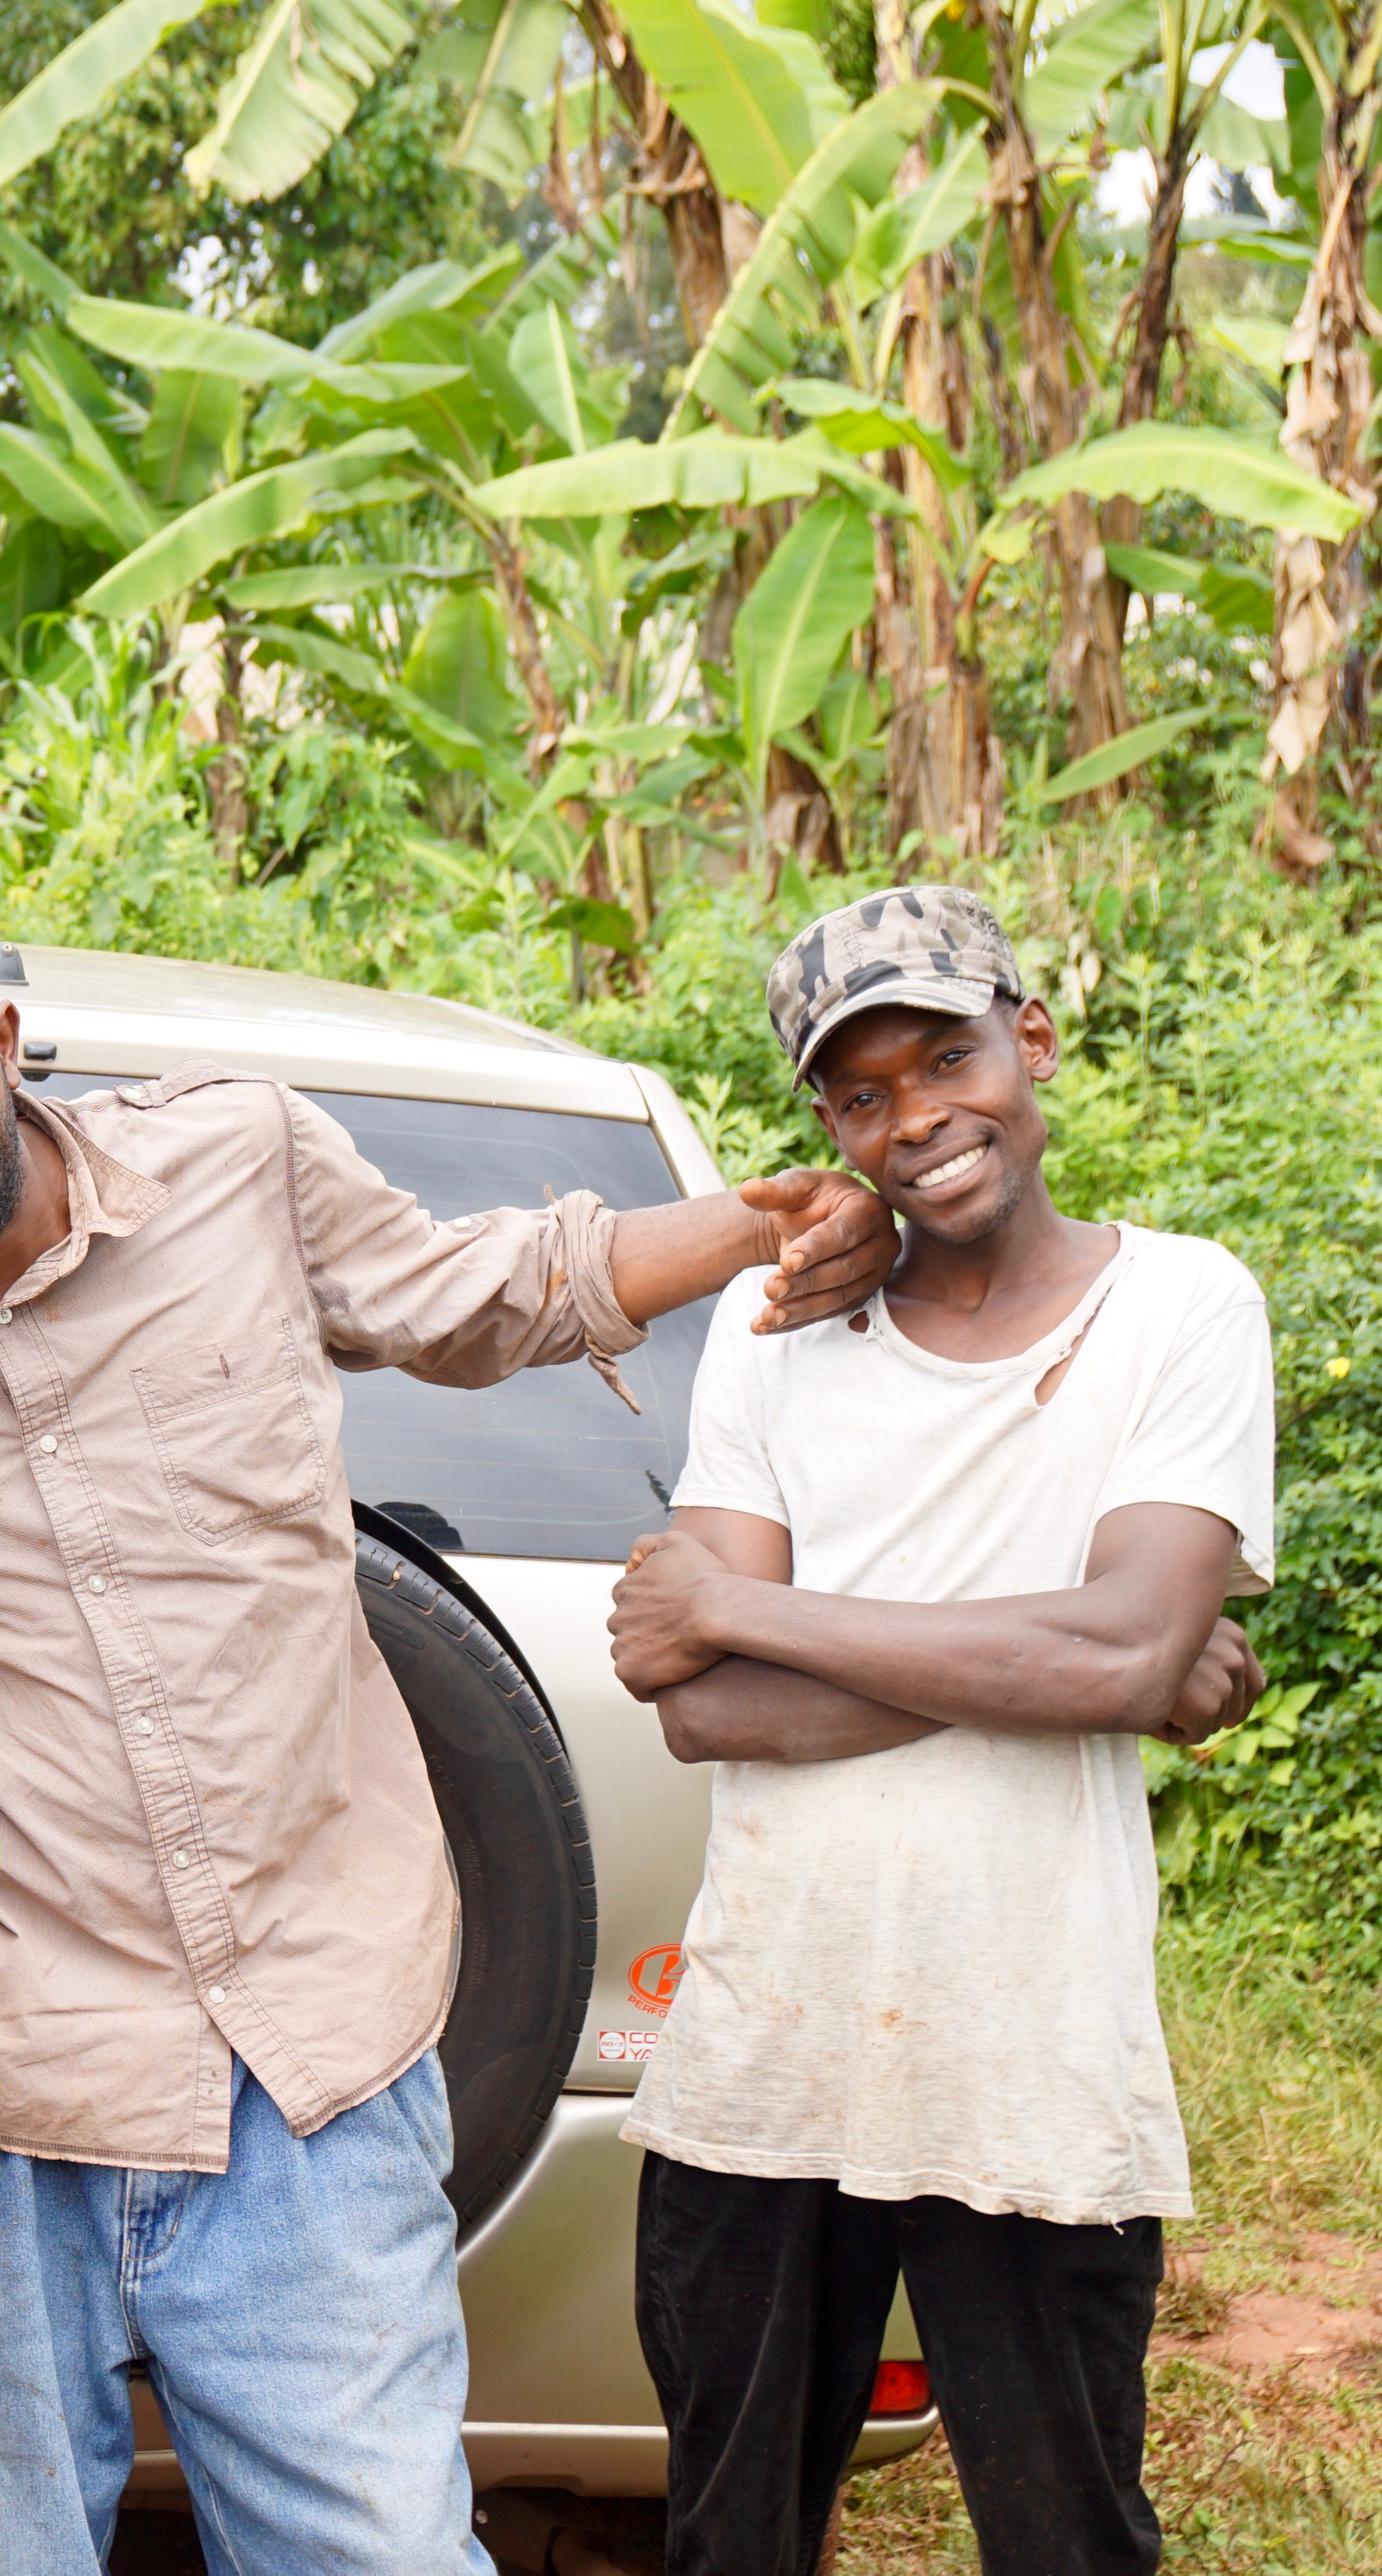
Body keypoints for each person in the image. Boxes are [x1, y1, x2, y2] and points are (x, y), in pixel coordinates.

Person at [0, 890, 908, 2575]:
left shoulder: (234, 1162)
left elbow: (483, 1289)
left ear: (1, 1046)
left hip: (310, 2067)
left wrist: (755, 1226)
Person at [606, 887, 1272, 2576]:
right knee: (727, 2540)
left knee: (1066, 2539)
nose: (913, 1117)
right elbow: (699, 1714)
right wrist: (1082, 1648)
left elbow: (1119, 1651)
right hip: (762, 2054)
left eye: (945, 1055)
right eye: (856, 1093)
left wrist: (739, 1603)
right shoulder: (775, 1348)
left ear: (1028, 1039)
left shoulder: (1179, 1308)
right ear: (824, 1122)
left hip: (1027, 2055)